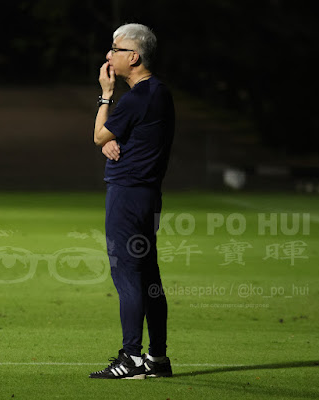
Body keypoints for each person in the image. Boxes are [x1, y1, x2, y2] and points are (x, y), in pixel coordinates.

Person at [90, 23, 175, 380]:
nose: (108, 55)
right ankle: (157, 358)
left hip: (127, 195)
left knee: (127, 276)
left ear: (134, 56)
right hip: (149, 196)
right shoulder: (159, 93)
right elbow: (121, 138)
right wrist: (113, 140)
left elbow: (98, 135)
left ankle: (131, 357)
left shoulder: (135, 97)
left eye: (115, 48)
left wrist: (106, 95)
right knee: (149, 276)